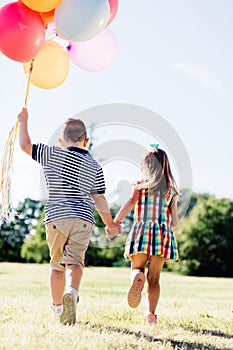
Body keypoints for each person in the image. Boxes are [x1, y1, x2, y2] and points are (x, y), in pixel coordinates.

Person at [17, 107, 120, 326]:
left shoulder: (52, 153)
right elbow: (99, 199)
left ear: (62, 141)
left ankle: (57, 309)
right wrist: (110, 224)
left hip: (56, 219)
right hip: (82, 220)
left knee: (56, 266)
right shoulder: (94, 166)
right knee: (75, 263)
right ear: (87, 140)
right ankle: (72, 292)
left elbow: (25, 145)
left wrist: (23, 121)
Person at [106, 144, 179, 324]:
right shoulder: (171, 190)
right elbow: (175, 221)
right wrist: (166, 227)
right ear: (165, 166)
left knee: (137, 269)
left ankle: (137, 277)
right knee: (154, 279)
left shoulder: (139, 186)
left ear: (146, 167)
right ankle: (151, 315)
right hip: (161, 235)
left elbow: (130, 204)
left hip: (141, 232)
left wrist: (115, 222)